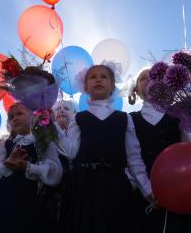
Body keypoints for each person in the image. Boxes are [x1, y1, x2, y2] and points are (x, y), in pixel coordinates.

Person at [57, 64, 152, 233]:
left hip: (115, 187)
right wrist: (51, 128)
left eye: (104, 76)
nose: (98, 79)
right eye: (92, 77)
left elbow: (134, 159)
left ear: (112, 85)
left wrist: (147, 190)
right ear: (85, 87)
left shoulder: (124, 118)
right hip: (82, 189)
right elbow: (72, 152)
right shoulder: (78, 118)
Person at [128, 68, 191, 233]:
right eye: (143, 78)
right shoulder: (130, 119)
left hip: (182, 188)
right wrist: (149, 190)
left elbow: (189, 148)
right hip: (150, 196)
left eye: (154, 76)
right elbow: (133, 158)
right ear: (136, 90)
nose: (150, 80)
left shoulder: (178, 114)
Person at [0, 103, 62, 233]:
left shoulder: (43, 140)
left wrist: (28, 168)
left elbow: (55, 173)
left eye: (20, 114)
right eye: (11, 117)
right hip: (3, 201)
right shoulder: (8, 144)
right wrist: (6, 165)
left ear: (32, 116)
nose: (15, 118)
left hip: (30, 202)